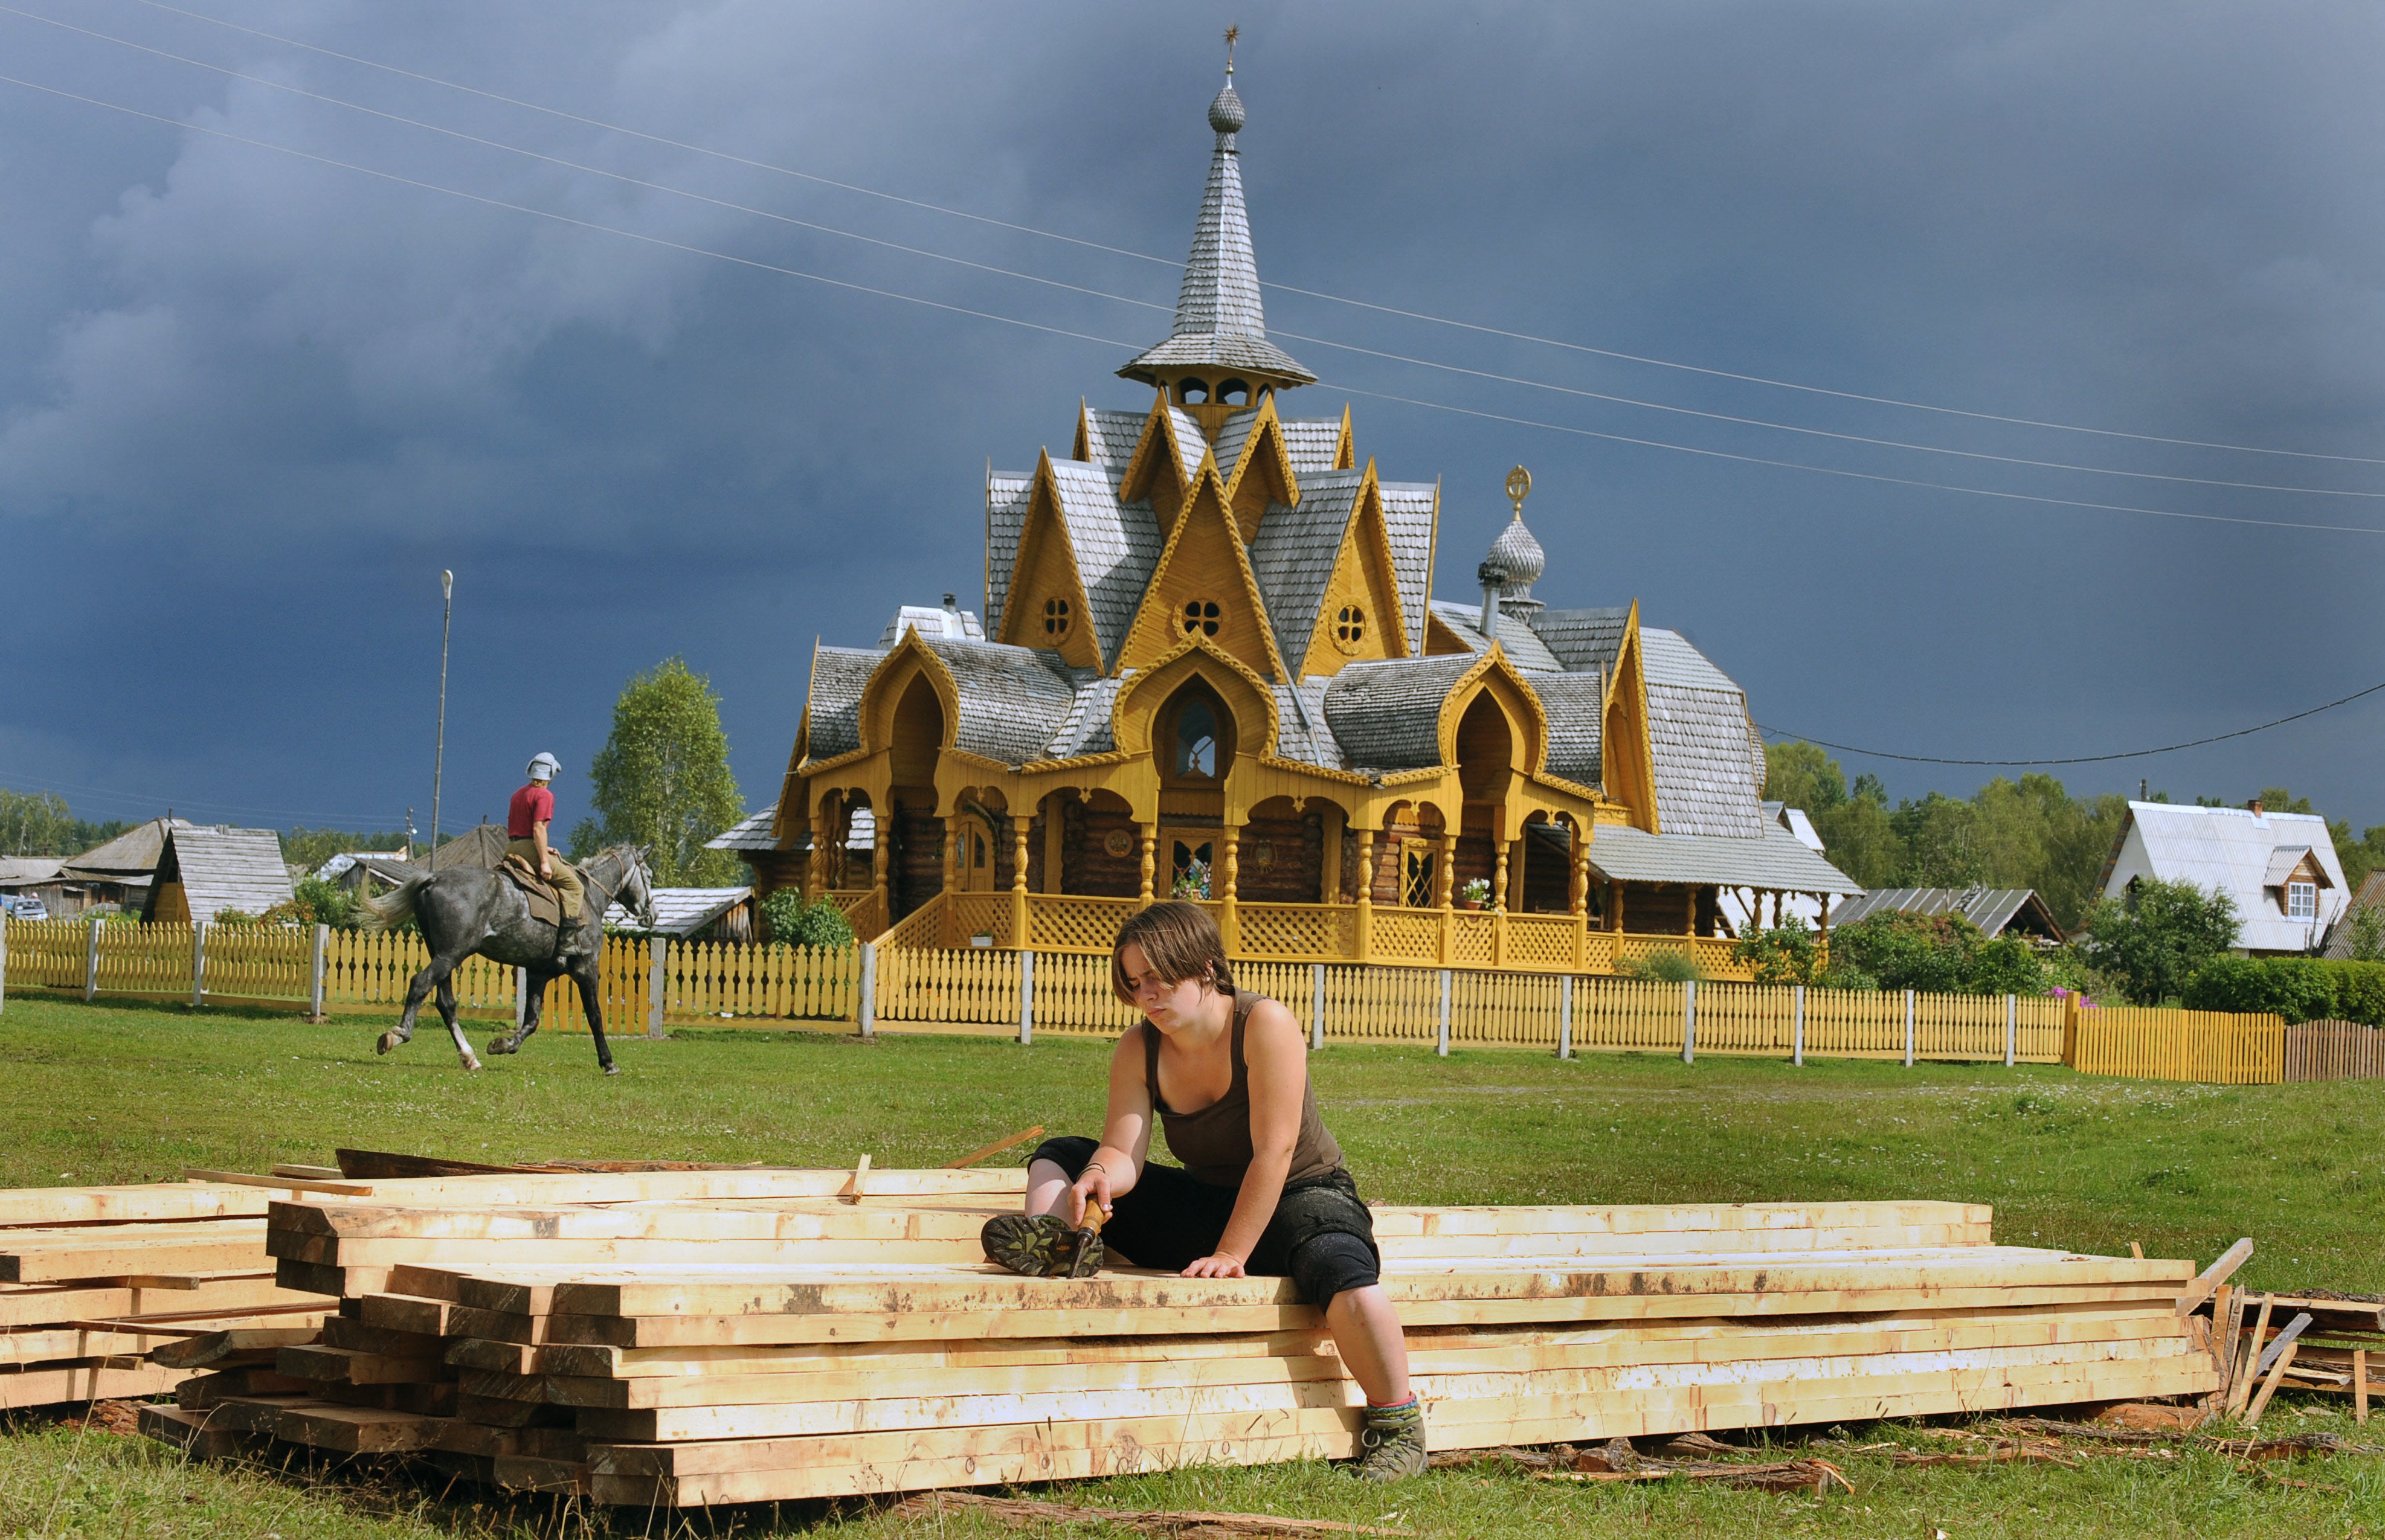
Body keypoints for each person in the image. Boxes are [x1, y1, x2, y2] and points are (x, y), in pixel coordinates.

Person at [979, 901, 1425, 1481]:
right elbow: (1124, 1151)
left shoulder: (1264, 1024)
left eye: (1158, 980)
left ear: (1207, 968)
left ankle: (1397, 1425)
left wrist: (1231, 1254)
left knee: (1340, 1271)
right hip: (1211, 1201)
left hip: (1302, 1196)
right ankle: (1060, 1244)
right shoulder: (1140, 1047)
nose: (1147, 997)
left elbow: (1276, 1152)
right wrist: (1100, 1177)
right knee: (1066, 1153)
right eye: (1135, 984)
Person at [506, 752, 585, 958]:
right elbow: (538, 829)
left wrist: (545, 848)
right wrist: (544, 862)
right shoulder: (545, 796)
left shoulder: (518, 794)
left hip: (511, 847)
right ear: (551, 773)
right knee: (574, 886)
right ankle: (567, 943)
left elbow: (521, 827)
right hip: (530, 848)